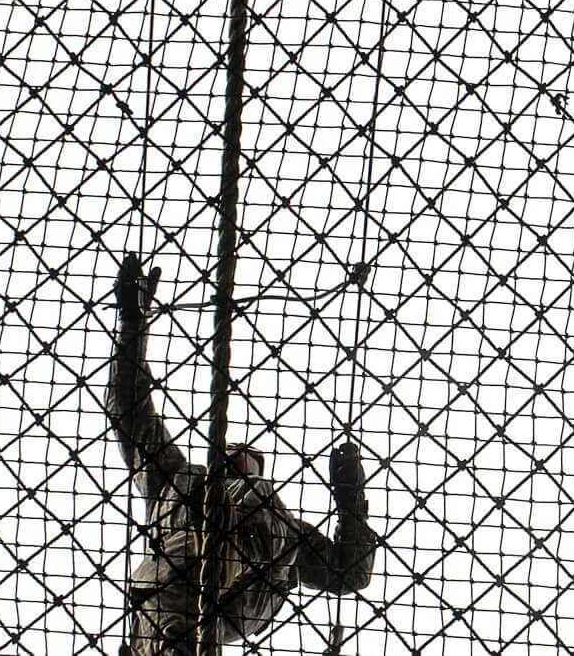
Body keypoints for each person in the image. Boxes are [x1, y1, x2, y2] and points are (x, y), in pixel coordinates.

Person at [107, 254, 376, 654]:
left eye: (251, 455)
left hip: (229, 600)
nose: (241, 454)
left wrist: (351, 500)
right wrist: (132, 323)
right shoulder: (179, 480)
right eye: (234, 449)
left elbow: (349, 573)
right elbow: (130, 409)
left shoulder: (286, 530)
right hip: (173, 592)